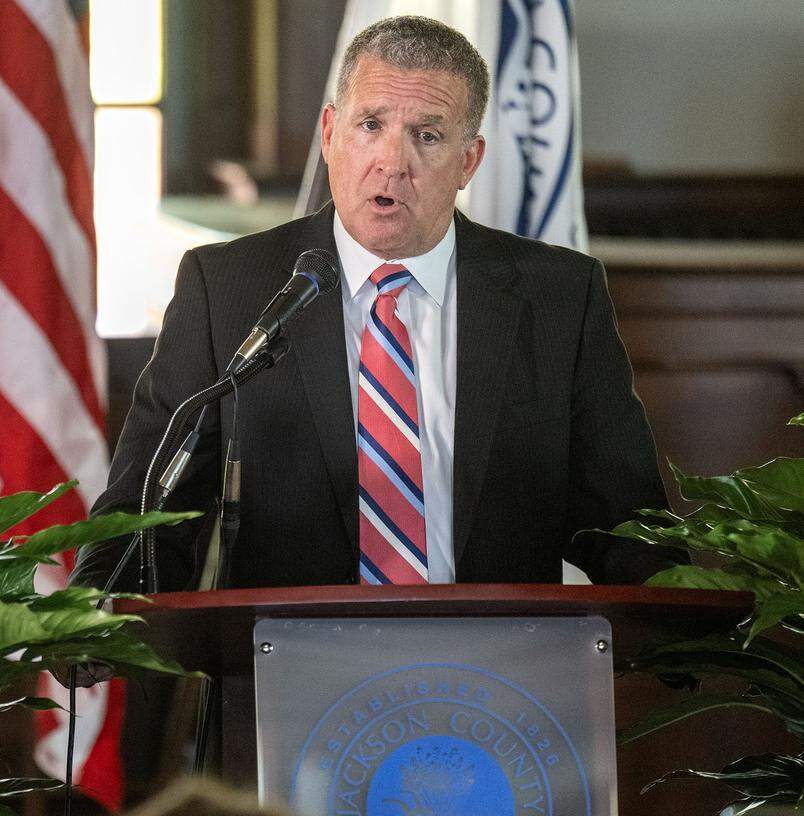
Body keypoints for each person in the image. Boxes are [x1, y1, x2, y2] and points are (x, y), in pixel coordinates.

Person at [70, 15, 677, 593]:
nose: (393, 163)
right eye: (371, 126)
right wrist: (97, 611)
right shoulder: (229, 287)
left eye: (428, 135)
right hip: (290, 662)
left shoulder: (559, 297)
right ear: (331, 134)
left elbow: (627, 523)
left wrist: (690, 623)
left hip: (495, 672)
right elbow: (150, 503)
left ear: (469, 161)